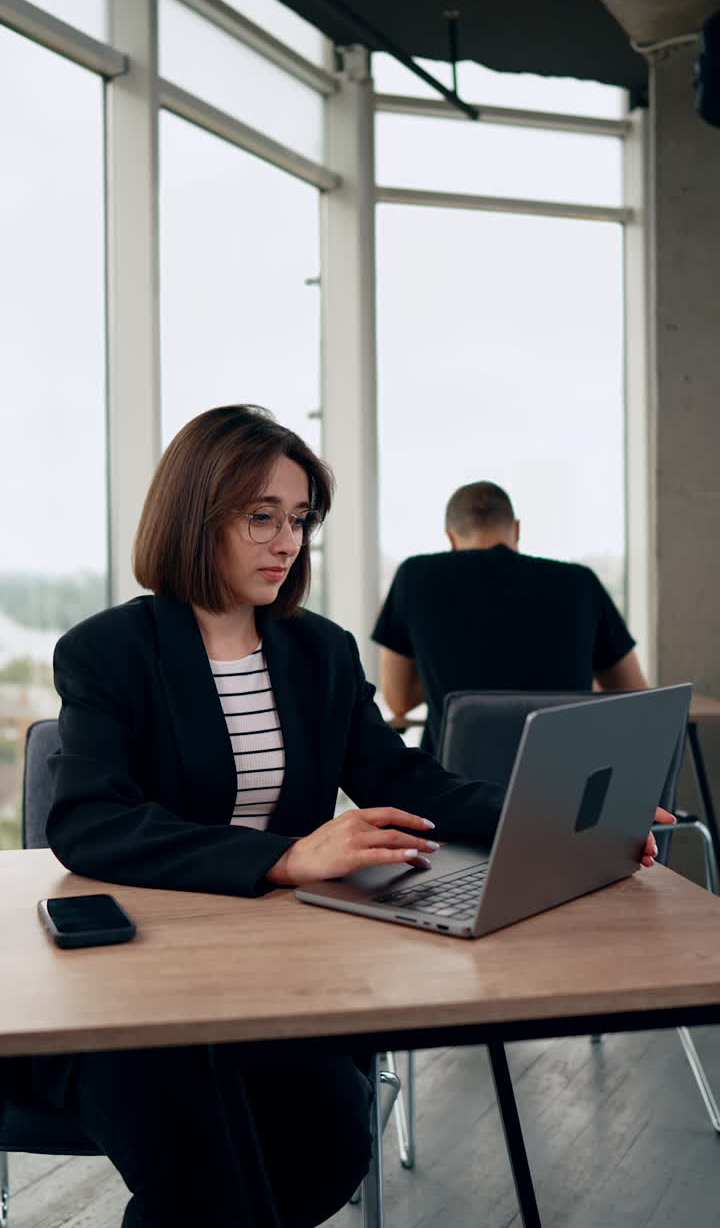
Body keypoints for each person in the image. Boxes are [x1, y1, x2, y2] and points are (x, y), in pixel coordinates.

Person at [33, 410, 665, 1228]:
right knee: (205, 1180)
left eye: (299, 520)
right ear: (195, 513)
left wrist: (564, 816)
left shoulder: (318, 651)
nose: (286, 541)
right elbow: (89, 822)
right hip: (136, 982)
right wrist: (284, 857)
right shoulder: (107, 650)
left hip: (275, 969)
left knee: (328, 1150)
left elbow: (407, 780)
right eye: (261, 516)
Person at [373, 480, 648, 754]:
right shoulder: (580, 583)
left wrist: (449, 668)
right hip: (563, 779)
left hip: (455, 784)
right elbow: (633, 692)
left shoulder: (416, 577)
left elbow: (399, 699)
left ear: (451, 538)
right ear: (516, 529)